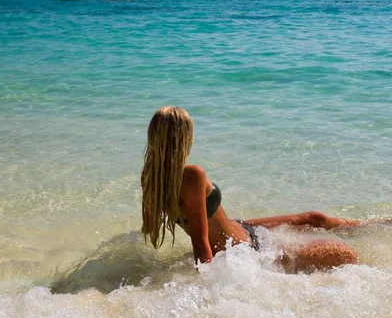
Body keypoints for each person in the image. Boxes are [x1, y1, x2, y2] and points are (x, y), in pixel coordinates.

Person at [141, 106, 362, 272]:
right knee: (345, 254)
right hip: (246, 250)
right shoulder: (192, 175)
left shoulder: (150, 178)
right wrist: (208, 288)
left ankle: (378, 225)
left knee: (314, 219)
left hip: (240, 228)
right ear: (182, 137)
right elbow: (199, 243)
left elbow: (149, 226)